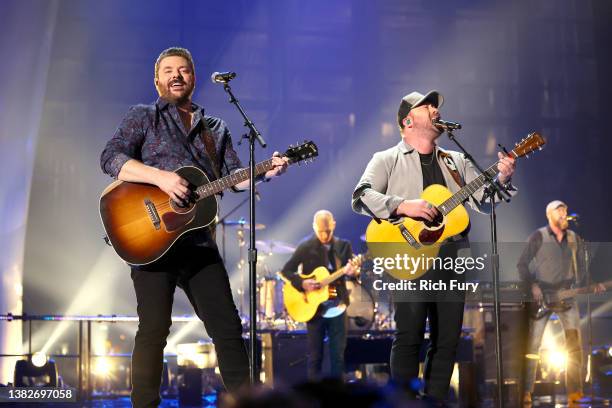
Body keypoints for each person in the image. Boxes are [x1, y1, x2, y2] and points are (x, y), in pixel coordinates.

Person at [100, 47, 288, 407]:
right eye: (168, 70)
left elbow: (234, 178)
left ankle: (248, 402)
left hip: (198, 243)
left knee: (228, 329)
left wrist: (266, 172)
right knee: (154, 331)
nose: (176, 76)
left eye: (183, 70)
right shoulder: (143, 117)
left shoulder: (214, 128)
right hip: (150, 239)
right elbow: (111, 158)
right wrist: (162, 179)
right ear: (157, 80)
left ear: (193, 78)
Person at [351, 90, 516, 402]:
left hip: (452, 254)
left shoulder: (456, 160)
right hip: (406, 253)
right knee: (409, 336)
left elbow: (485, 202)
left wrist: (503, 178)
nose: (435, 109)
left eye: (436, 106)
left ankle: (435, 401)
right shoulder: (386, 159)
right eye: (427, 106)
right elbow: (360, 197)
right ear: (408, 120)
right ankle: (402, 402)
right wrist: (403, 206)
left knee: (448, 340)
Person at [518, 200, 605, 405]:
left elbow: (582, 269)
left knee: (575, 346)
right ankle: (526, 392)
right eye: (560, 211)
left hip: (568, 296)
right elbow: (521, 264)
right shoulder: (538, 236)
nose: (564, 214)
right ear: (549, 215)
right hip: (543, 295)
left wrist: (593, 284)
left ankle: (575, 392)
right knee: (532, 347)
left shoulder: (574, 237)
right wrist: (532, 286)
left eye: (565, 210)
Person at [280, 210, 359, 380]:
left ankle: (337, 398)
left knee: (338, 357)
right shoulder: (305, 246)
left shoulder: (343, 246)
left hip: (338, 305)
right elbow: (286, 271)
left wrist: (353, 272)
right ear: (314, 227)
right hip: (314, 308)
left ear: (334, 225)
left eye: (328, 230)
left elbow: (351, 274)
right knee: (315, 357)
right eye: (321, 230)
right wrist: (302, 283)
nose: (325, 234)